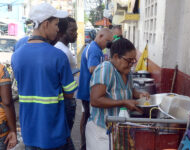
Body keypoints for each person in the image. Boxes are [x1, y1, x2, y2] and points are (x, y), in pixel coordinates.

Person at [11, 3, 77, 150]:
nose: (58, 29)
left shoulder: (16, 56)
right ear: (45, 24)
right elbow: (70, 93)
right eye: (56, 24)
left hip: (30, 132)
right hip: (54, 132)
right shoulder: (58, 56)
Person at [86, 38, 150, 150]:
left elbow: (129, 91)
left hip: (118, 130)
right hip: (101, 130)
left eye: (133, 61)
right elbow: (95, 100)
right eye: (128, 60)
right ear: (116, 57)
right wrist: (124, 102)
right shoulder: (105, 69)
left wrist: (140, 95)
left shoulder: (127, 72)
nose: (131, 64)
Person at [77, 28, 113, 150]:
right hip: (89, 92)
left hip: (88, 91)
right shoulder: (94, 49)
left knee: (86, 116)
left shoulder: (96, 49)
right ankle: (85, 144)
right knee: (88, 118)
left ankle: (85, 143)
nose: (108, 44)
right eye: (107, 41)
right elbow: (92, 68)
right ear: (100, 36)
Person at [54, 16, 78, 150]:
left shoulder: (64, 49)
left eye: (76, 30)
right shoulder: (61, 50)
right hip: (65, 99)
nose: (75, 33)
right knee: (65, 138)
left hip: (67, 99)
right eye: (72, 30)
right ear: (62, 31)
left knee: (66, 137)